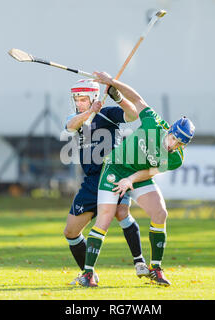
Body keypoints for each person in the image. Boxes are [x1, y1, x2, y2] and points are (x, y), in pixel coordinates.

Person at [78, 72, 195, 287]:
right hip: (115, 167)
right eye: (173, 138)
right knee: (104, 218)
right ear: (169, 130)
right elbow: (137, 99)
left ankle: (155, 269)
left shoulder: (176, 158)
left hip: (138, 174)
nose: (173, 144)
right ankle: (87, 274)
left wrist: (130, 180)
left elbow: (150, 172)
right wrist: (112, 83)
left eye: (179, 143)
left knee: (160, 212)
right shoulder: (153, 124)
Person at [62, 79, 150, 284]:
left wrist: (118, 97)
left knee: (121, 212)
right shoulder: (77, 117)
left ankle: (140, 263)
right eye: (77, 99)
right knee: (71, 232)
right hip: (91, 181)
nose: (79, 103)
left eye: (83, 99)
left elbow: (133, 114)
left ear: (93, 97)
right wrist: (88, 111)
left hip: (113, 174)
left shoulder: (108, 113)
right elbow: (70, 126)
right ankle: (89, 274)